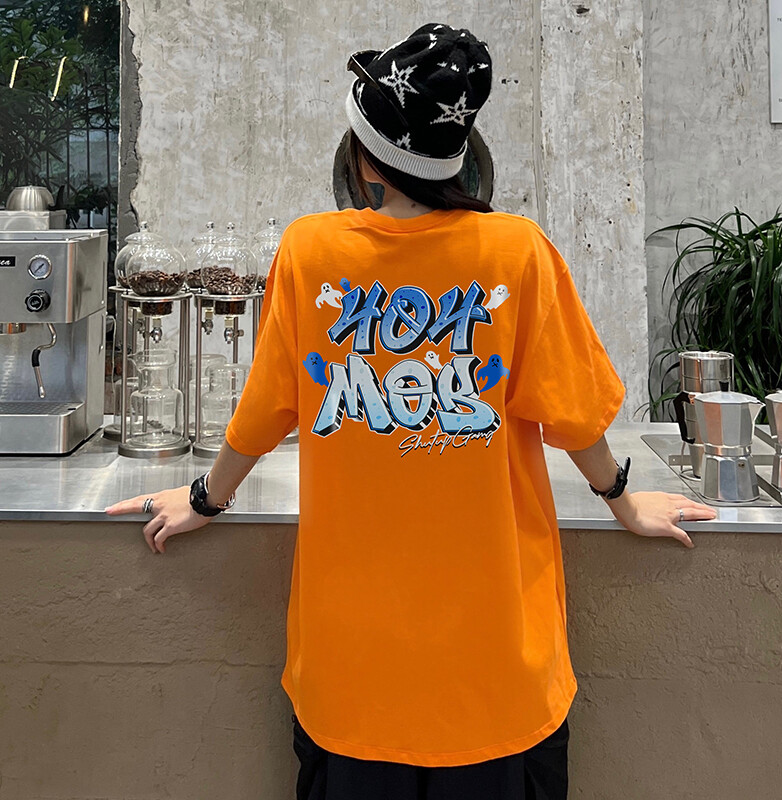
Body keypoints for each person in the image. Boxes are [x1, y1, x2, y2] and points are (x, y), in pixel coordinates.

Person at [106, 23, 717, 800]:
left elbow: (261, 415)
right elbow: (576, 420)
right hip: (498, 674)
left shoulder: (309, 253)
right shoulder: (518, 253)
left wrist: (202, 499)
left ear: (363, 161)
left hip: (353, 679)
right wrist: (625, 503)